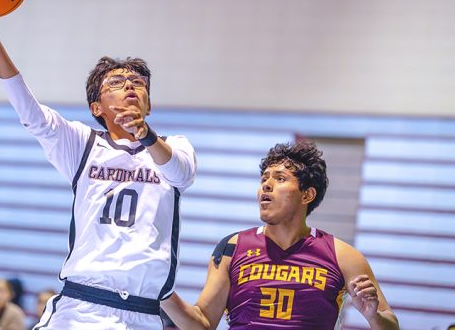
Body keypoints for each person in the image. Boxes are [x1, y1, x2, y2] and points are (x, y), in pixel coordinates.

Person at [0, 0, 196, 330]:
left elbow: (181, 174)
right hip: (83, 307)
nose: (129, 86)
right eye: (116, 82)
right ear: (97, 107)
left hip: (143, 313)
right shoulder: (83, 143)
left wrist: (146, 135)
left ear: (148, 105)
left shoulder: (174, 147)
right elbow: (31, 113)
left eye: (138, 83)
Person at [161, 141, 399, 330]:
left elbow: (390, 324)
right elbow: (202, 323)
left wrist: (373, 316)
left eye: (280, 178)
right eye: (264, 178)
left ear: (307, 195)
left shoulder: (343, 256)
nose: (266, 185)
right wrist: (161, 292)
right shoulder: (232, 248)